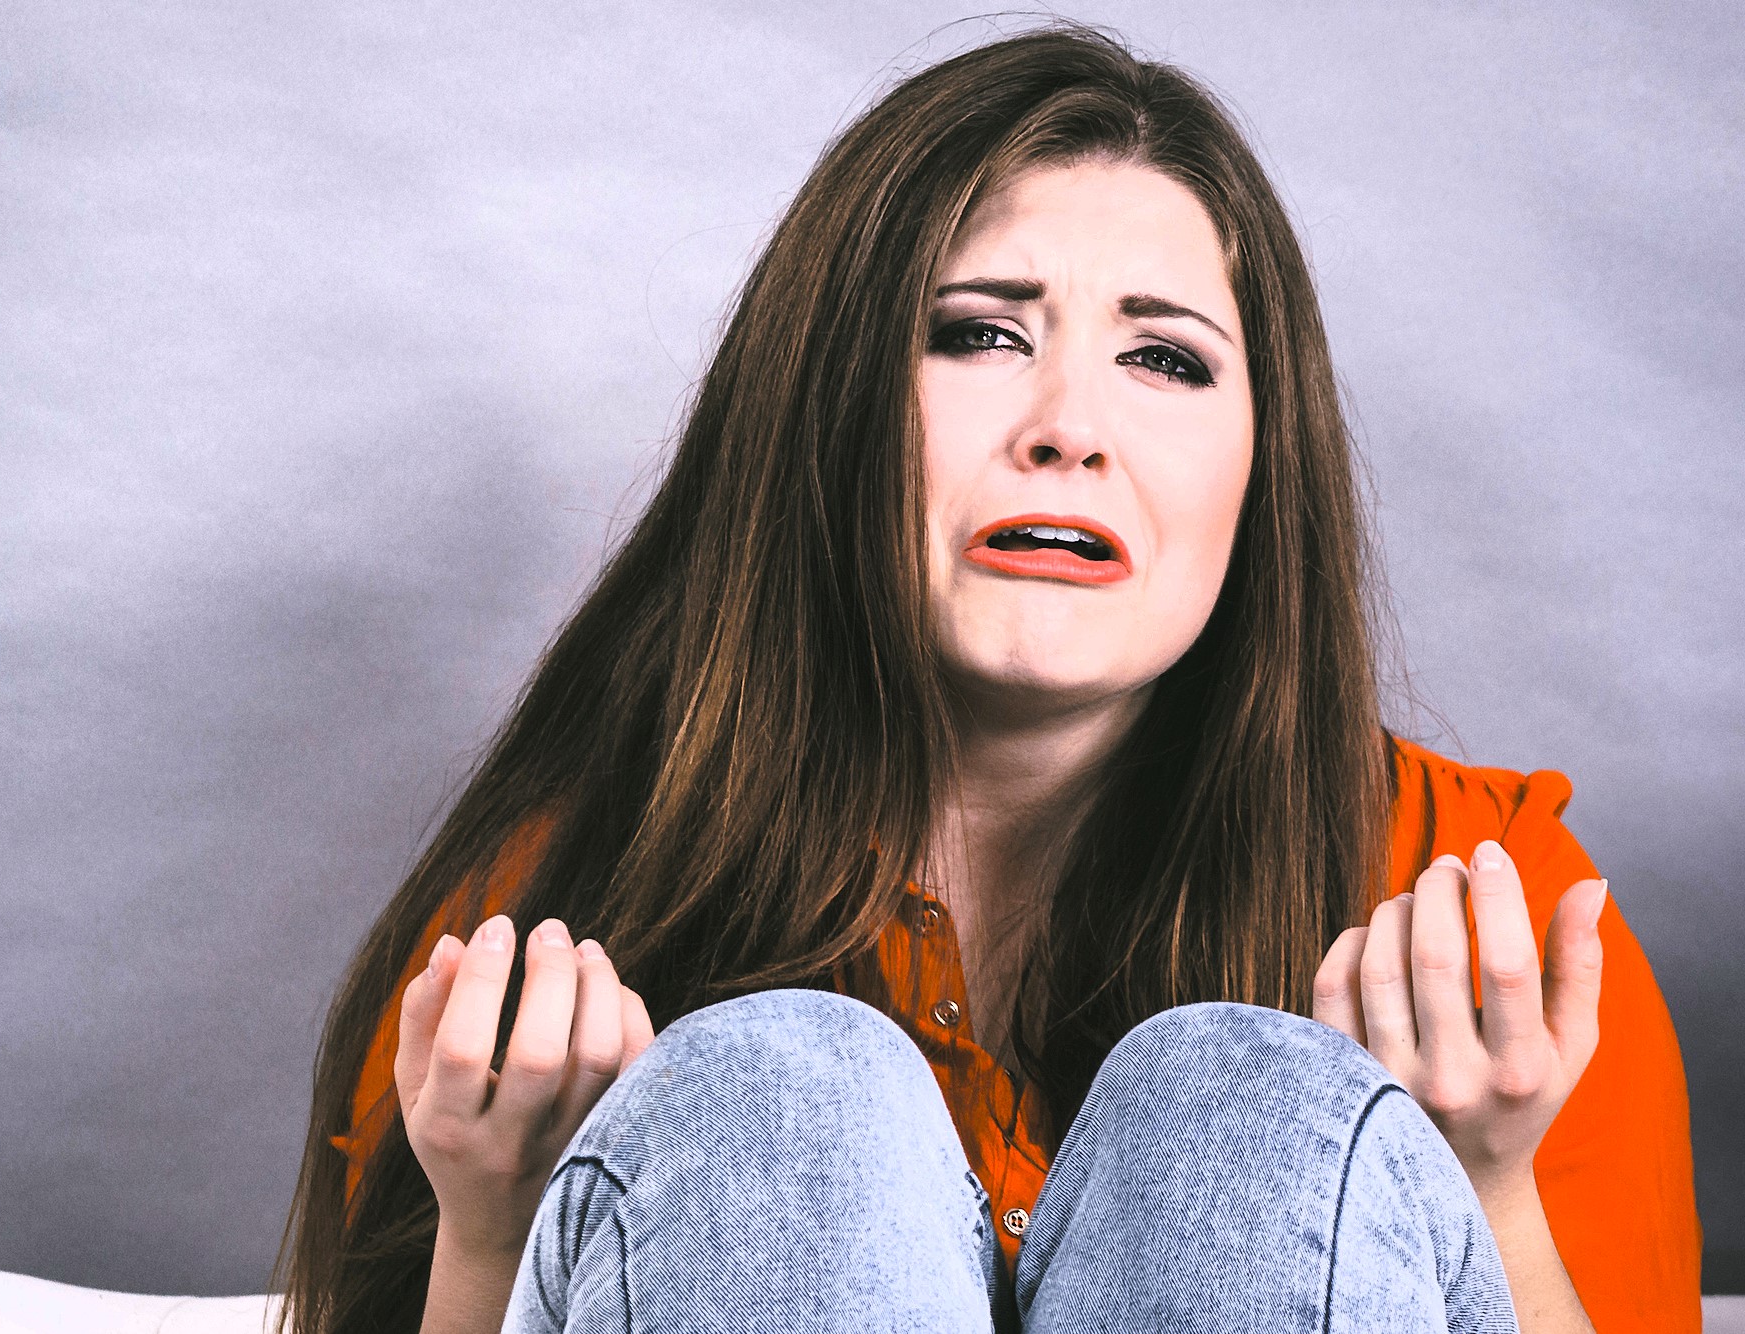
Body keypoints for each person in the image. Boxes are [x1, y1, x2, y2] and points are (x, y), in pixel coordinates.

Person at [276, 24, 1700, 1334]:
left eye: (1163, 357)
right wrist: (501, 1228)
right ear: (824, 409)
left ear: (1264, 470)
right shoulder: (570, 900)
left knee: (1251, 1112)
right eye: (980, 333)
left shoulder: (1476, 896)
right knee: (774, 1094)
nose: (1069, 426)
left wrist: (1479, 1190)